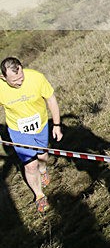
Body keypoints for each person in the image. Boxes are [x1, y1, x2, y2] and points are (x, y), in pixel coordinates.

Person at [0, 57, 62, 213]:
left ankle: (43, 170)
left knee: (42, 157)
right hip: (18, 131)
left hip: (40, 126)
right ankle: (39, 195)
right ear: (3, 77)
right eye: (14, 81)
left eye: (21, 78)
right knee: (30, 164)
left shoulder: (36, 77)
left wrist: (56, 125)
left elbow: (51, 99)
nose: (20, 83)